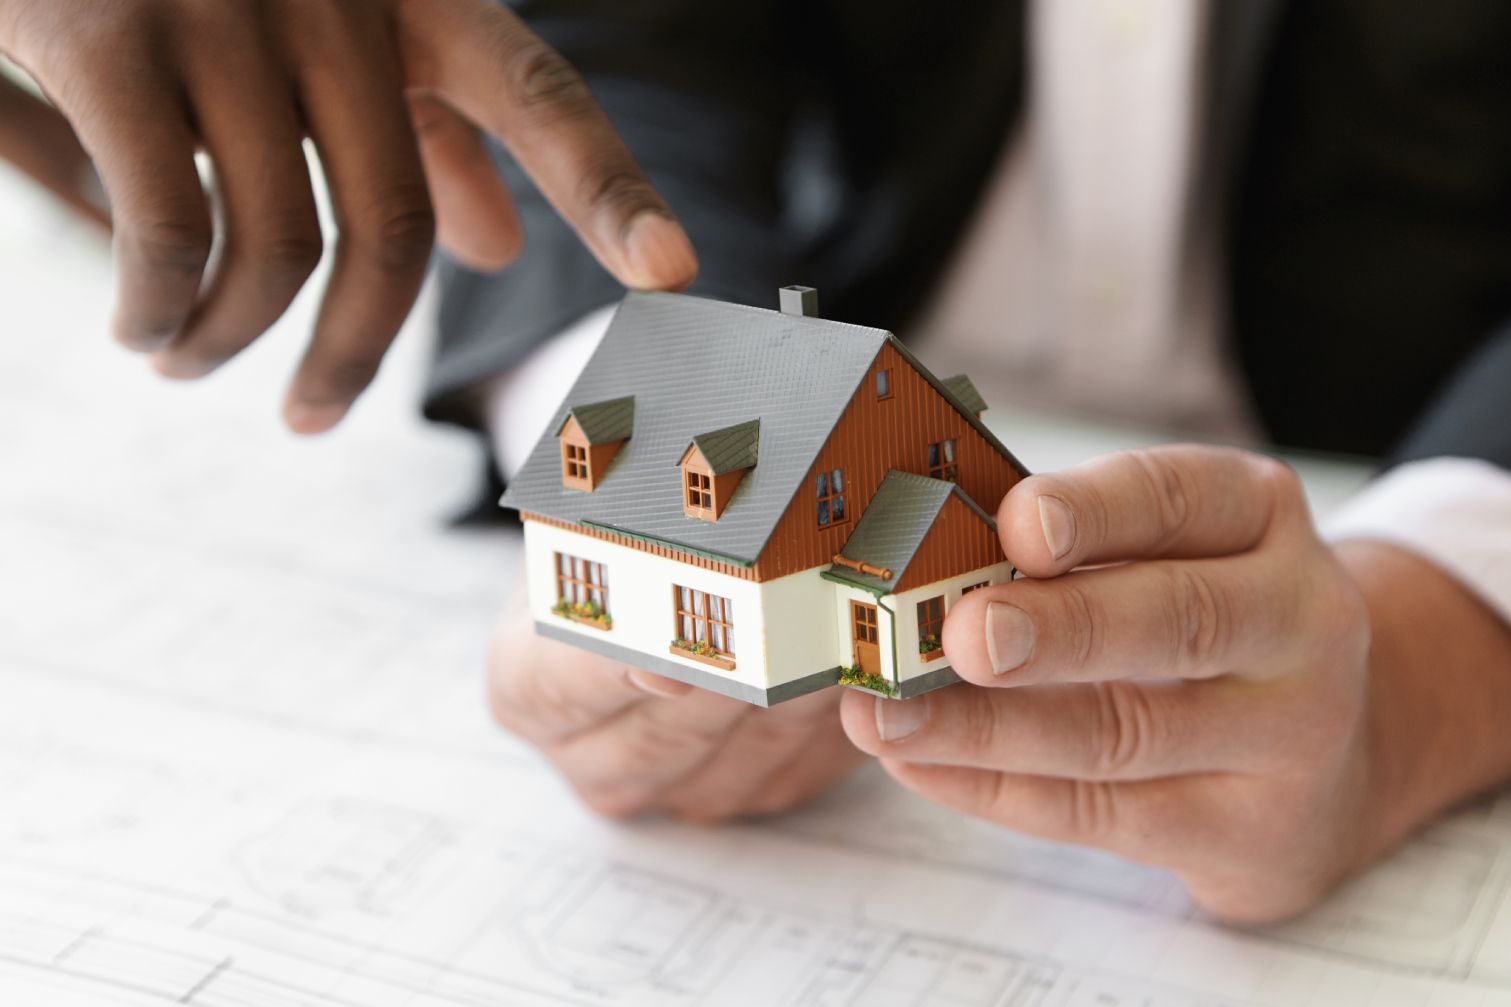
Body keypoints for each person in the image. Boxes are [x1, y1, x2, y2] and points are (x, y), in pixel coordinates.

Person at [2, 0, 1508, 925]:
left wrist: (1436, 640)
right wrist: (639, 418)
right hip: (811, 382)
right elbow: (615, 42)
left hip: (1409, 449)